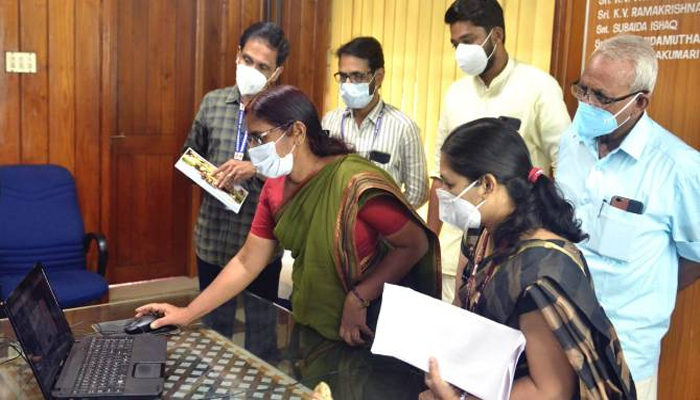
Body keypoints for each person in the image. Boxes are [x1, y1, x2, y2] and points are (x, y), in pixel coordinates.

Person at [140, 85, 440, 346]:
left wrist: (360, 297)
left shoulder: (353, 182)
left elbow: (415, 245)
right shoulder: (274, 187)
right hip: (310, 320)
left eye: (259, 138)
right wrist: (187, 313)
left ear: (297, 132)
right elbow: (247, 261)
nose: (252, 149)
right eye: (249, 139)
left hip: (365, 326)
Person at [420, 118, 635, 400]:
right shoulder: (480, 233)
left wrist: (456, 399)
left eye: (449, 184)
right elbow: (464, 304)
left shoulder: (540, 273)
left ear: (487, 184)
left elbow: (551, 391)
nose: (442, 195)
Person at [555, 34, 700, 400]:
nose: (587, 103)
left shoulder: (678, 168)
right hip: (557, 336)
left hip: (624, 352)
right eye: (583, 89)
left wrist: (643, 296)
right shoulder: (572, 141)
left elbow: (697, 256)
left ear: (640, 102)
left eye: (601, 97)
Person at [426, 0, 571, 303]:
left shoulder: (539, 87)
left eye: (469, 41)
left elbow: (567, 165)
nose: (461, 51)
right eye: (455, 44)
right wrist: (429, 244)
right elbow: (439, 176)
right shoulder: (455, 94)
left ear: (497, 35)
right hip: (456, 249)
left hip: (514, 247)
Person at [181, 22, 289, 338]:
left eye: (263, 66)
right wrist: (207, 174)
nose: (251, 70)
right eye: (248, 60)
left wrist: (254, 169)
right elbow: (190, 153)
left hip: (260, 245)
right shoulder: (212, 103)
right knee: (215, 332)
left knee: (261, 335)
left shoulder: (286, 115)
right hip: (212, 239)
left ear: (277, 72)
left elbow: (294, 174)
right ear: (237, 55)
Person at [322, 37, 428, 208]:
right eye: (343, 76)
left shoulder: (403, 127)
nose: (348, 84)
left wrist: (389, 219)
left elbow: (418, 192)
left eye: (357, 76)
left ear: (378, 78)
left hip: (381, 222)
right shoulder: (329, 121)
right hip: (334, 220)